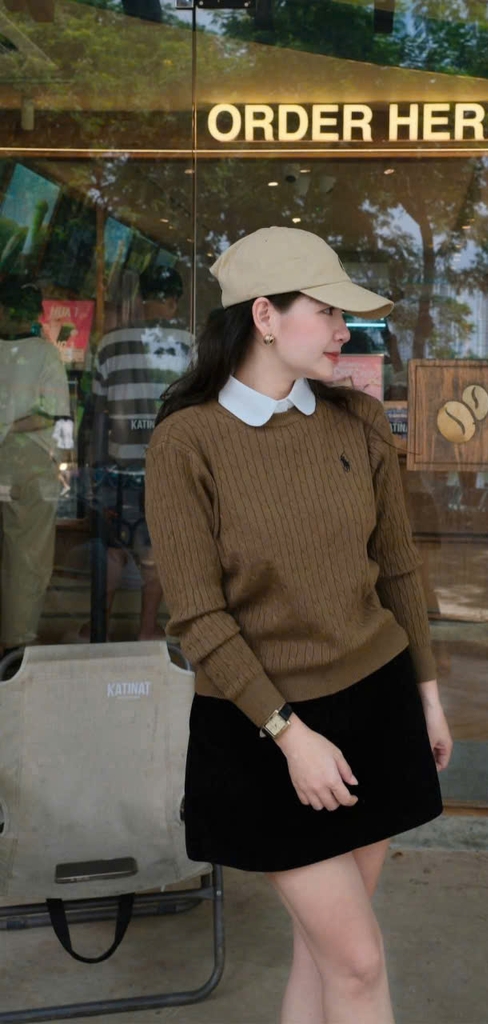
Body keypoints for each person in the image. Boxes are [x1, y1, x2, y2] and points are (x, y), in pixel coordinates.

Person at [145, 226, 453, 1024]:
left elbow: (397, 568)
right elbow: (199, 617)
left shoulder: (357, 421)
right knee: (358, 961)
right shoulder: (187, 442)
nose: (344, 330)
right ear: (265, 316)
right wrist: (289, 735)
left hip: (377, 704)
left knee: (327, 957)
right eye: (328, 311)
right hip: (263, 728)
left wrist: (427, 697)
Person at [88, 265, 191, 640]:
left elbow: (97, 412)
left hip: (118, 468)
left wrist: (93, 466)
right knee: (155, 552)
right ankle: (147, 629)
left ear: (140, 298)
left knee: (113, 551)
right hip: (165, 467)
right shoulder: (188, 343)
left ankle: (98, 627)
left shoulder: (109, 343)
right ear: (173, 300)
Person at [0, 275, 71, 661]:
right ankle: (16, 646)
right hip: (30, 460)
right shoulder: (44, 354)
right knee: (28, 556)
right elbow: (56, 415)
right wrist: (66, 463)